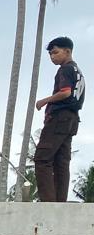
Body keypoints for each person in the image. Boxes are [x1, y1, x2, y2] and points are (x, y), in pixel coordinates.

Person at [34, 36, 84, 203]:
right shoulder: (78, 71)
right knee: (61, 161)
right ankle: (60, 201)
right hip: (72, 119)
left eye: (55, 52)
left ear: (67, 51)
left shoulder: (65, 69)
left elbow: (65, 92)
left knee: (42, 158)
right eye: (50, 54)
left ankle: (48, 202)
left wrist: (44, 101)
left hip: (60, 117)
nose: (52, 57)